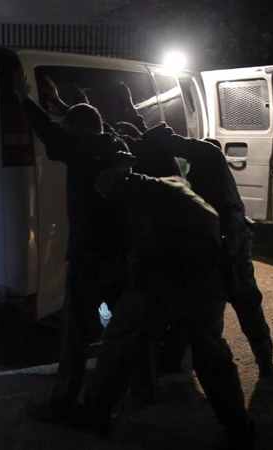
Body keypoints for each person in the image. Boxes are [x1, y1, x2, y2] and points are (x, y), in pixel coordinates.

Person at [85, 155, 255, 449]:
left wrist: (118, 167)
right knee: (211, 354)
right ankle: (239, 428)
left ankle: (96, 415)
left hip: (169, 273)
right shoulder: (186, 196)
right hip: (208, 278)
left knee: (121, 339)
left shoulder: (148, 189)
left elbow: (109, 185)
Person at [12, 70, 130, 423]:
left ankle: (63, 404)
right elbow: (82, 125)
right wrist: (60, 103)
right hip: (121, 252)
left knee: (75, 334)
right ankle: (143, 386)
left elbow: (48, 130)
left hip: (89, 253)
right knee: (127, 325)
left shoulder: (80, 150)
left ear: (75, 132)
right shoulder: (114, 143)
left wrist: (23, 97)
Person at [153, 129, 273, 377]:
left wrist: (153, 134)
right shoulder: (220, 177)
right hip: (235, 235)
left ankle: (181, 361)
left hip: (225, 236)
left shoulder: (209, 152)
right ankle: (264, 362)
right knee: (244, 300)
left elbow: (174, 143)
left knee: (203, 301)